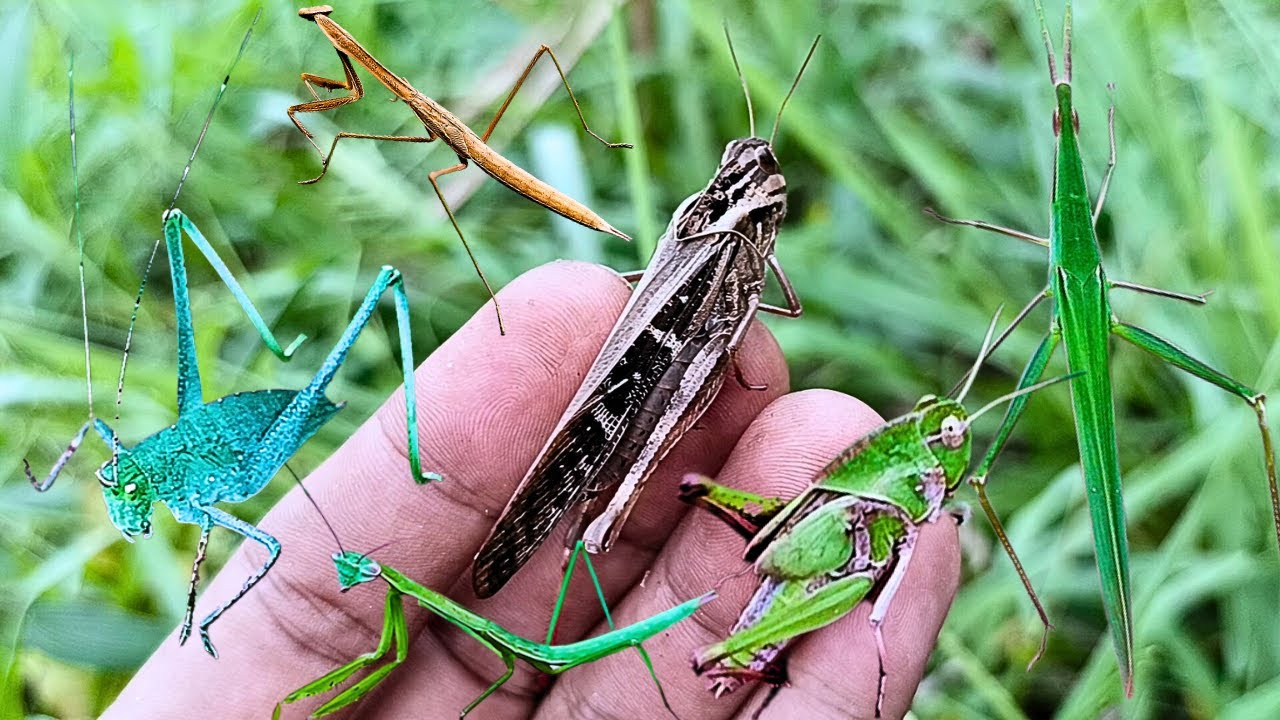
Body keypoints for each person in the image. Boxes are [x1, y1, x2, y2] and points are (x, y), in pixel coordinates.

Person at [100, 262, 959, 720]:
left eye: (361, 570)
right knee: (426, 645)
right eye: (366, 571)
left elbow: (387, 647)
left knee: (506, 621)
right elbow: (387, 650)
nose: (360, 576)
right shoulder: (376, 605)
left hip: (551, 644)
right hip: (540, 647)